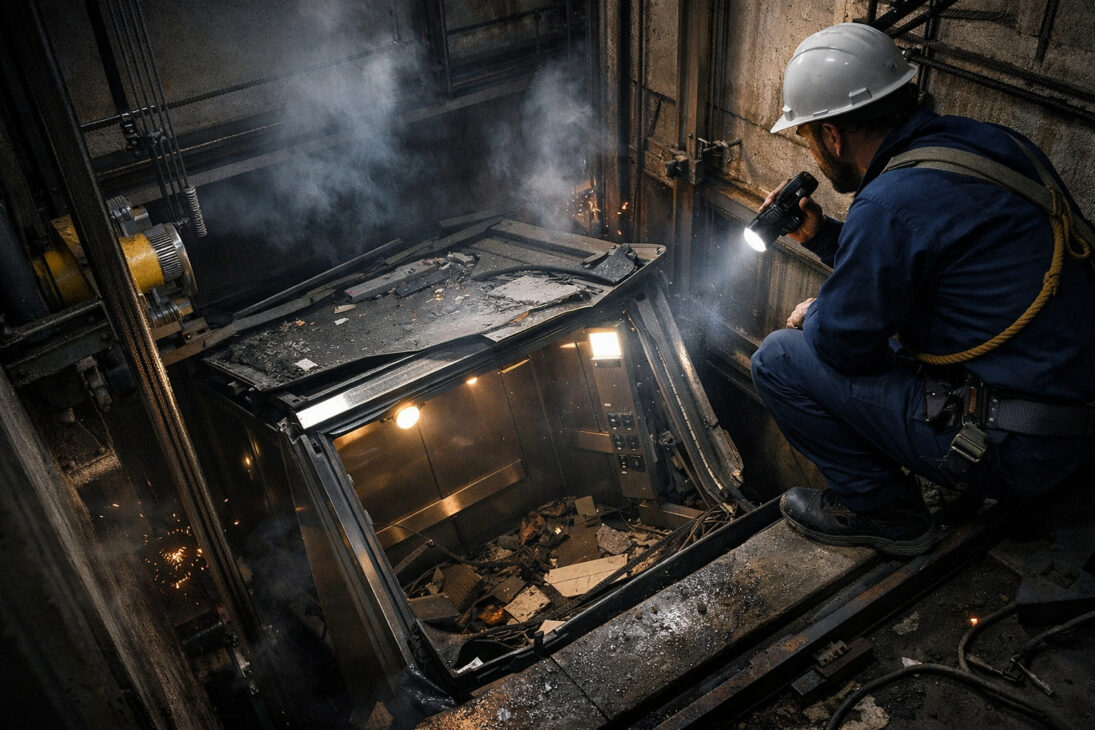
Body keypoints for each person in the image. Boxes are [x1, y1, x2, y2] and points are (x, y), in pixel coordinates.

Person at [749, 22, 1095, 556]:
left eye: (810, 136)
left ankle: (888, 514)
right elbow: (925, 263)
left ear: (834, 134)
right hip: (1074, 415)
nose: (816, 153)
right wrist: (822, 238)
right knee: (882, 337)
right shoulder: (993, 144)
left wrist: (815, 312)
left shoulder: (888, 202)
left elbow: (842, 345)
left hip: (1024, 448)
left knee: (778, 358)